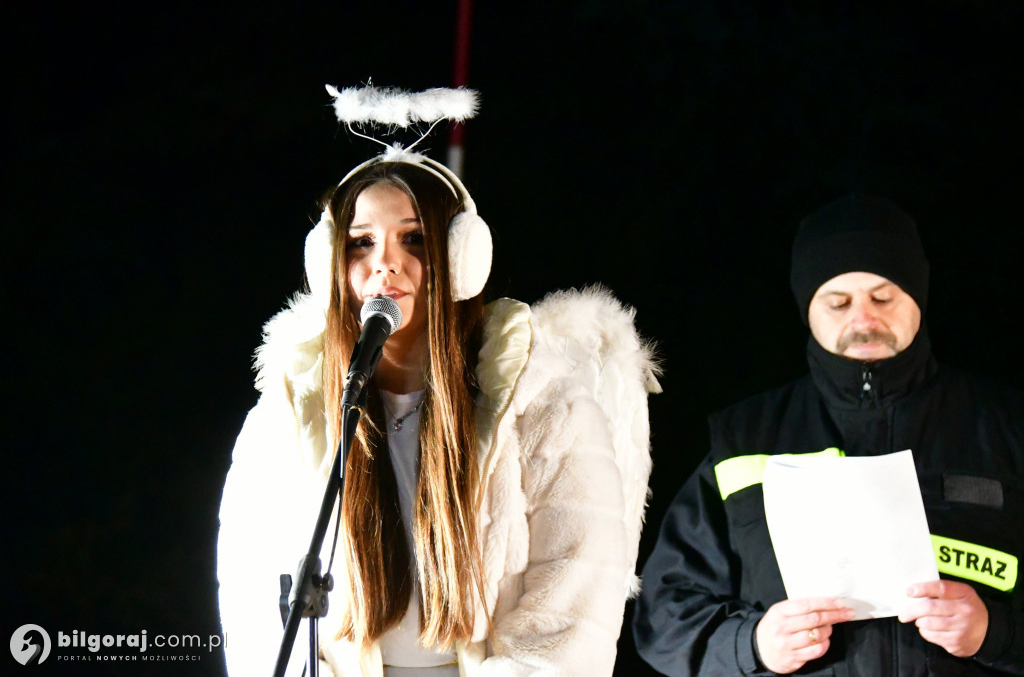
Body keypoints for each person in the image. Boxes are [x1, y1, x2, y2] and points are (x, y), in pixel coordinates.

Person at [217, 86, 660, 676]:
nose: (385, 264)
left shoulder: (547, 401)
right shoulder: (287, 414)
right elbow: (252, 592)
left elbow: (575, 603)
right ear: (328, 264)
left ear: (462, 257)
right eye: (360, 243)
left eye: (415, 239)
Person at [632, 193, 1023, 676]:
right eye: (838, 302)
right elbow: (663, 616)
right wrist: (752, 643)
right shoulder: (745, 439)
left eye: (882, 297)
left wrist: (997, 632)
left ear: (917, 297)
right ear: (808, 310)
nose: (862, 319)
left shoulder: (1005, 425)